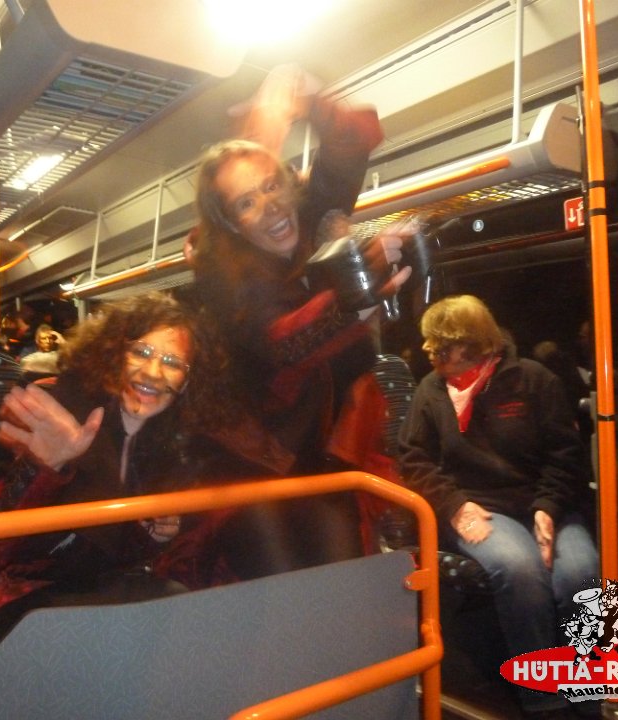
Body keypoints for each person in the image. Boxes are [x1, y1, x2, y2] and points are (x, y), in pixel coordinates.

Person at [185, 65, 414, 575]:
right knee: (281, 587)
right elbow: (284, 342)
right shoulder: (226, 275)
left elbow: (352, 141)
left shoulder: (309, 215)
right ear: (231, 224)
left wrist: (310, 103)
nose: (270, 208)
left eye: (272, 186)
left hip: (327, 451)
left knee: (342, 579)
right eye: (247, 203)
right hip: (254, 458)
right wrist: (357, 288)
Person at [0, 291, 291, 654]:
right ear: (115, 354)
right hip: (24, 600)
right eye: (141, 352)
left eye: (172, 362)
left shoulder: (167, 444)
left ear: (187, 382)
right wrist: (45, 467)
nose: (152, 372)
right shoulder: (54, 409)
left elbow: (115, 552)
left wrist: (154, 536)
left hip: (96, 596)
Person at [397, 295, 598, 717]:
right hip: (478, 505)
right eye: (430, 343)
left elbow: (566, 455)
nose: (430, 351)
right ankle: (544, 700)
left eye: (442, 345)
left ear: (475, 344)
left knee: (579, 574)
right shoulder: (431, 390)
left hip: (544, 500)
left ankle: (588, 692)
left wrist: (548, 507)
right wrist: (455, 506)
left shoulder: (533, 380)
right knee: (520, 569)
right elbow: (414, 460)